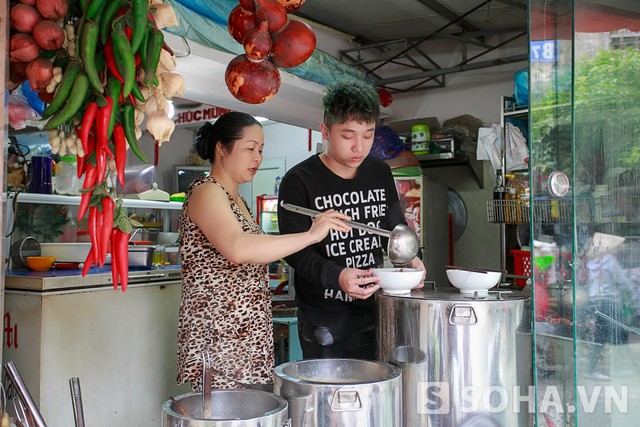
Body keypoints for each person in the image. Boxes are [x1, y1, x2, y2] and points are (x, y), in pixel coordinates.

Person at [176, 111, 352, 391]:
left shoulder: (239, 200)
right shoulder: (206, 192)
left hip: (247, 337)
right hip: (220, 340)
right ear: (221, 148)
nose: (257, 157)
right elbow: (238, 249)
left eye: (260, 150)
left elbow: (255, 248)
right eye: (249, 149)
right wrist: (311, 234)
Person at [277, 81, 426, 360]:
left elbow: (392, 229)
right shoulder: (299, 180)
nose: (359, 147)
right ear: (325, 131)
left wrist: (407, 259)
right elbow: (296, 252)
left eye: (368, 135)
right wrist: (336, 276)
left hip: (377, 307)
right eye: (348, 136)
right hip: (324, 317)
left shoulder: (379, 171)